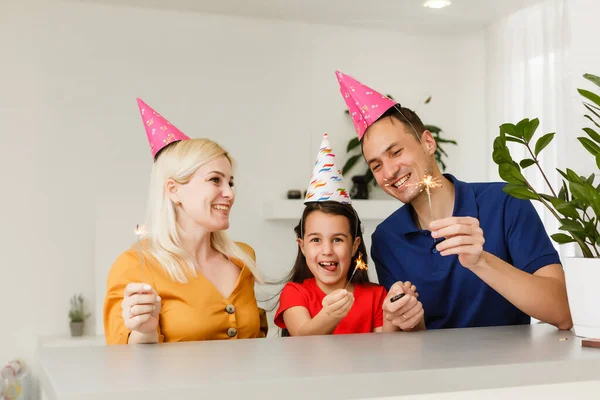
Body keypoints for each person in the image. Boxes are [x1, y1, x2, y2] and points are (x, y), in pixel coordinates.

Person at [334, 70, 573, 330]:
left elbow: (562, 312)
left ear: (427, 142)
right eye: (377, 165)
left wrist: (481, 261)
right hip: (433, 371)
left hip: (509, 369)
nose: (389, 172)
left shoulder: (505, 202)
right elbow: (413, 341)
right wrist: (403, 319)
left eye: (396, 151)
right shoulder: (386, 239)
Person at [103, 98, 267, 344]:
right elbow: (123, 364)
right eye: (215, 180)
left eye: (230, 182)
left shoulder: (243, 259)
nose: (230, 193)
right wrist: (144, 332)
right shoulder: (135, 265)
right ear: (173, 189)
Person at [274, 133, 424, 336]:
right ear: (302, 245)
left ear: (354, 245)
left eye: (337, 239)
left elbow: (387, 346)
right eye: (316, 240)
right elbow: (303, 337)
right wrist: (332, 315)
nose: (327, 250)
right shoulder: (295, 293)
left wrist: (396, 310)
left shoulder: (376, 295)